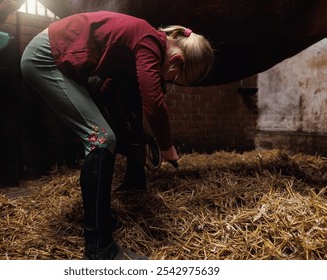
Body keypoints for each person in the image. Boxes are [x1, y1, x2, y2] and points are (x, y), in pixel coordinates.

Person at [21, 11, 214, 260]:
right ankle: (100, 249)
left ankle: (100, 218)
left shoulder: (144, 39)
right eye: (174, 79)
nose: (170, 81)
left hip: (57, 59)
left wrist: (127, 132)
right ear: (176, 60)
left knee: (105, 135)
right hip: (46, 59)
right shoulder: (150, 42)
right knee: (101, 138)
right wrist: (167, 147)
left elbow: (109, 86)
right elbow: (154, 104)